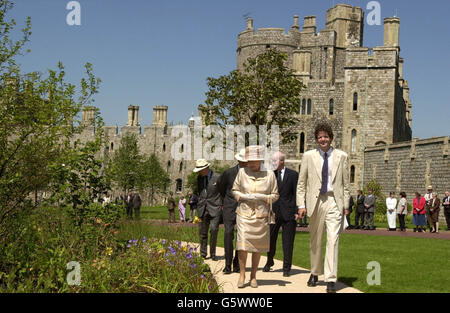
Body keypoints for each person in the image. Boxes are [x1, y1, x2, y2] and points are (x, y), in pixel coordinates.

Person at [296, 122, 350, 293]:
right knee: (316, 240)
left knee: (333, 240)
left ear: (331, 137)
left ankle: (331, 279)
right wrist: (301, 205)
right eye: (320, 137)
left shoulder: (342, 156)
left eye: (325, 136)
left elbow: (346, 184)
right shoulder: (308, 156)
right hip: (316, 201)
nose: (323, 139)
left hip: (334, 201)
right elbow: (301, 184)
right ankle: (314, 272)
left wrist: (346, 206)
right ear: (317, 139)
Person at [232, 145, 279, 289]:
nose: (252, 164)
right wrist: (243, 196)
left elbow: (275, 195)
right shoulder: (241, 172)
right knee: (242, 246)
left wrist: (264, 197)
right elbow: (234, 190)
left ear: (261, 160)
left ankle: (253, 276)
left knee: (257, 247)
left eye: (255, 161)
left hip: (261, 215)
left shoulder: (270, 174)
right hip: (244, 214)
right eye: (250, 161)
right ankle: (242, 274)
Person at [263, 151, 299, 277]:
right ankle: (269, 261)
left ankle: (286, 268)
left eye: (275, 161)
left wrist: (297, 210)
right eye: (272, 161)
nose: (272, 163)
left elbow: (297, 194)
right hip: (273, 213)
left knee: (288, 241)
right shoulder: (269, 175)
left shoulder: (293, 175)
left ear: (282, 161)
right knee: (270, 239)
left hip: (289, 213)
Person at [217, 148, 247, 275]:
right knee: (228, 233)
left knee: (242, 236)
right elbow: (221, 187)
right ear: (238, 160)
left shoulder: (251, 174)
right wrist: (226, 201)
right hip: (229, 207)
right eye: (242, 160)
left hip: (245, 208)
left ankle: (237, 262)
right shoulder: (228, 173)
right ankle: (227, 264)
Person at [195, 159, 223, 261]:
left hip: (215, 208)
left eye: (200, 170)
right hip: (202, 208)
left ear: (206, 168)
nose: (198, 172)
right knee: (202, 232)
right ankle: (203, 253)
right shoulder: (199, 178)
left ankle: (213, 253)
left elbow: (223, 192)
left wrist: (221, 204)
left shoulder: (218, 177)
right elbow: (200, 192)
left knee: (214, 230)